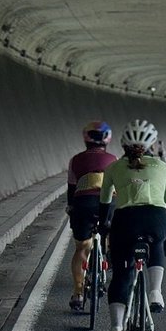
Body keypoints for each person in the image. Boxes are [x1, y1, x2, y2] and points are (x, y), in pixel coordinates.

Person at [98, 119, 166, 331]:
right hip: (157, 219)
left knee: (122, 275)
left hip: (126, 222)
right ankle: (155, 293)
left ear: (123, 145)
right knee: (158, 242)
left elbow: (104, 203)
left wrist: (103, 226)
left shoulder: (113, 168)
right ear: (152, 144)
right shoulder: (163, 167)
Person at [66, 121, 116, 311]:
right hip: (108, 204)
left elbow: (71, 188)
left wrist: (71, 207)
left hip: (83, 204)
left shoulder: (76, 160)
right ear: (107, 139)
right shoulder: (113, 159)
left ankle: (78, 293)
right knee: (111, 230)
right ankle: (108, 256)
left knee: (81, 247)